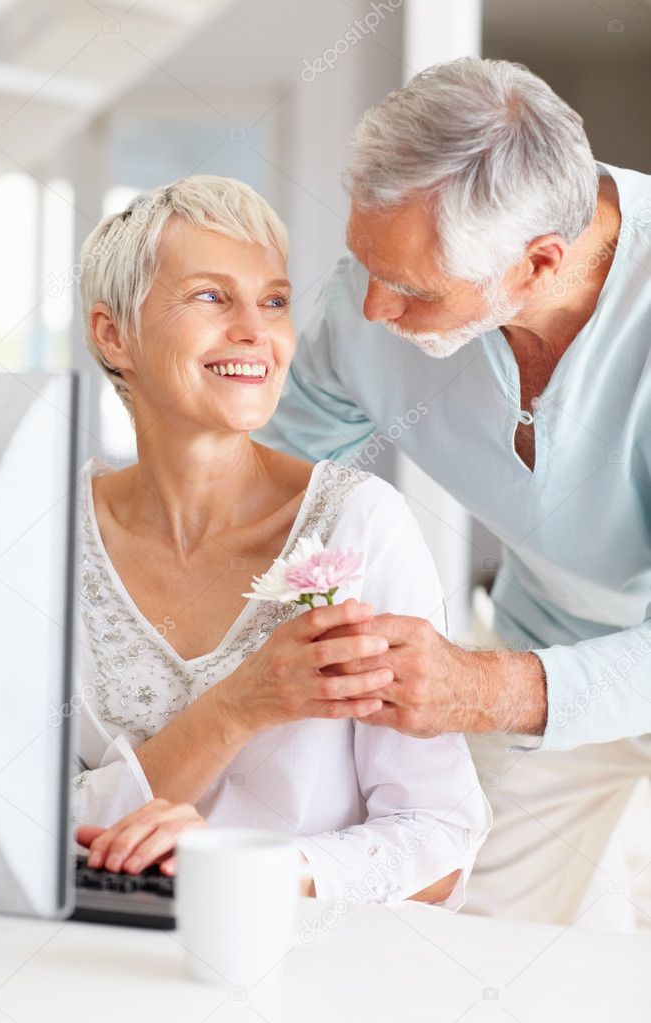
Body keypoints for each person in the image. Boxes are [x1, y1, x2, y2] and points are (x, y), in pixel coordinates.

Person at [257, 57, 651, 926]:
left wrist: (487, 688)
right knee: (477, 945)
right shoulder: (370, 306)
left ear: (538, 263)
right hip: (549, 638)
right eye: (369, 267)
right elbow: (272, 495)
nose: (372, 312)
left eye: (410, 290)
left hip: (535, 675)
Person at [72, 174, 490, 907]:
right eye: (210, 296)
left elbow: (438, 836)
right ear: (114, 334)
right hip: (82, 966)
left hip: (303, 978)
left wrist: (249, 865)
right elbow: (7, 818)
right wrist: (237, 705)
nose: (255, 330)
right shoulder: (44, 536)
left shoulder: (360, 524)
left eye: (273, 301)